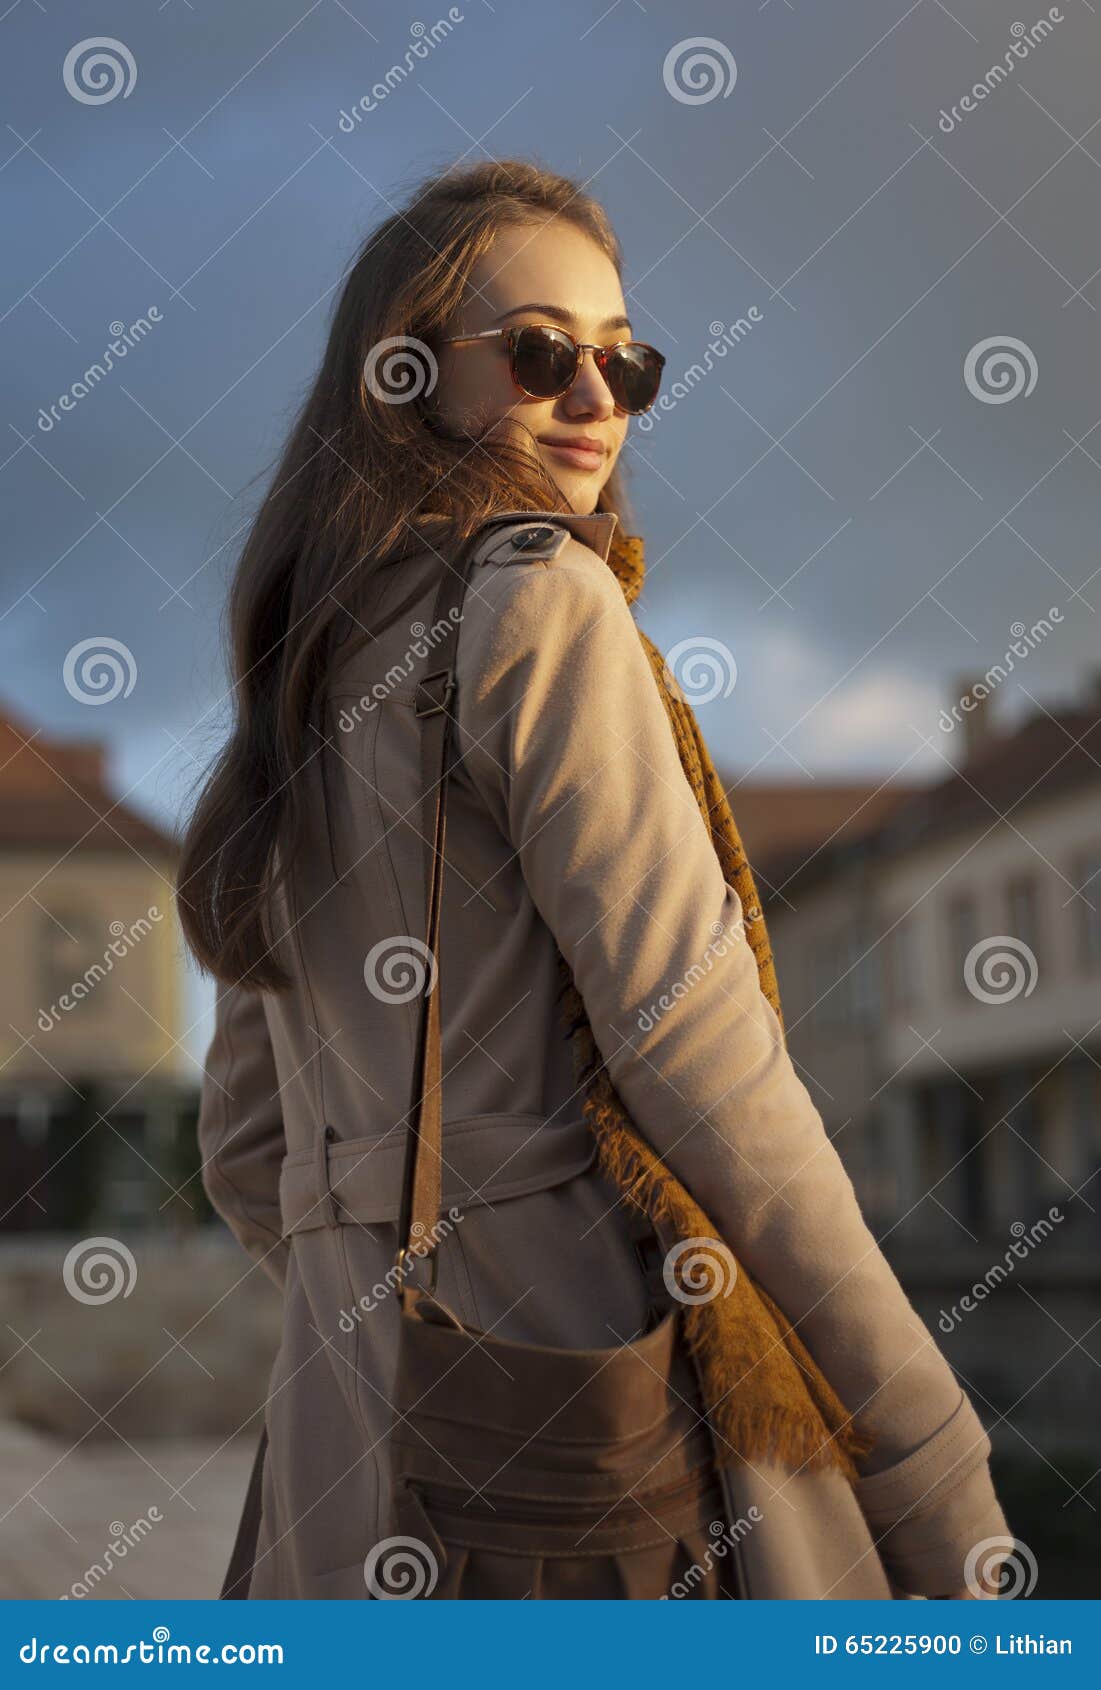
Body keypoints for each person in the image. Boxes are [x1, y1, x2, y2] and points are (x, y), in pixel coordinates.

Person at [178, 157, 1009, 1599]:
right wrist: (928, 1445)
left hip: (337, 1437)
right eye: (541, 352)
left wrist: (374, 1281)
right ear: (405, 372)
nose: (594, 399)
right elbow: (705, 1066)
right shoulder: (540, 603)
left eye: (625, 362)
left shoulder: (312, 676)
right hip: (570, 1419)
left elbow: (251, 1144)